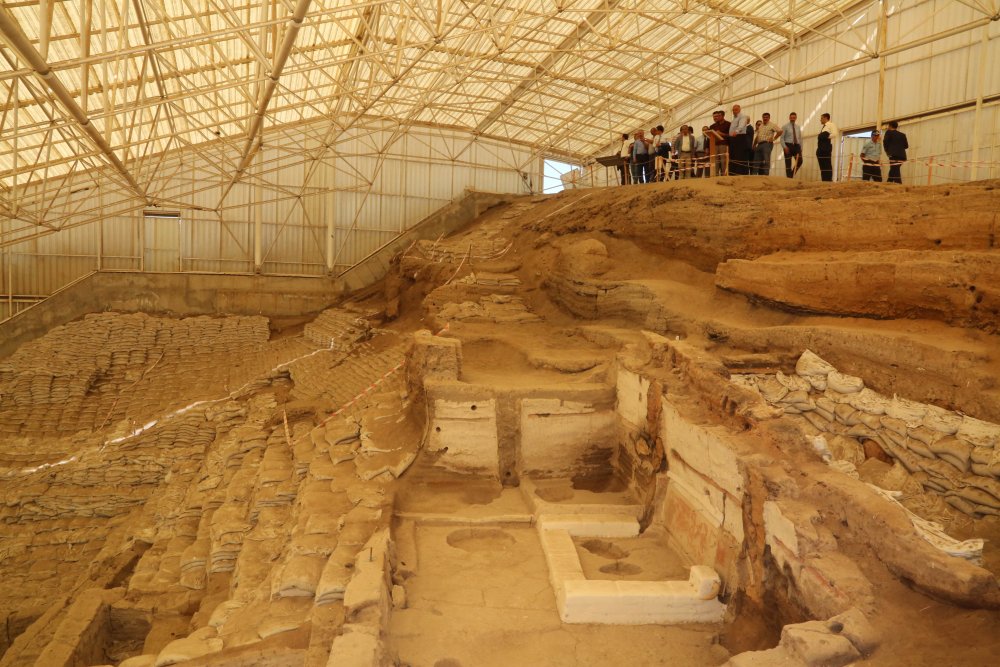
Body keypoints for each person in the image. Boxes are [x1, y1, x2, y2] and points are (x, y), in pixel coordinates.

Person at [816, 113, 839, 182]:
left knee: (827, 164)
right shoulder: (824, 127)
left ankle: (828, 180)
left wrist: (826, 136)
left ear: (826, 118)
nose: (820, 120)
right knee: (822, 166)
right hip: (820, 148)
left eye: (821, 118)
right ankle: (824, 180)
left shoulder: (831, 125)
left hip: (826, 147)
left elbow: (835, 133)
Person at [729, 104, 750, 174]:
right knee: (733, 156)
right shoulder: (734, 119)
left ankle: (740, 173)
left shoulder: (743, 116)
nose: (734, 111)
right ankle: (733, 173)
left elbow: (741, 125)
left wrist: (736, 132)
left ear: (739, 110)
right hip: (733, 139)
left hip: (739, 138)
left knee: (739, 156)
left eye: (736, 110)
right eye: (733, 110)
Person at [780, 112, 803, 178]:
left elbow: (800, 138)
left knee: (800, 161)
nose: (792, 119)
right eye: (791, 117)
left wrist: (801, 147)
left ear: (796, 118)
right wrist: (784, 147)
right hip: (788, 145)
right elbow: (781, 138)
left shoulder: (798, 127)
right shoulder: (785, 126)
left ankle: (791, 175)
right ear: (789, 118)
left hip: (797, 146)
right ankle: (789, 178)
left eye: (794, 117)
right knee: (788, 163)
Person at [708, 110, 730, 176]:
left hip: (723, 145)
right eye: (716, 116)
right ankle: (715, 175)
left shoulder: (728, 124)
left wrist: (721, 134)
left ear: (723, 116)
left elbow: (730, 135)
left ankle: (724, 175)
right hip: (714, 145)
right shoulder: (712, 126)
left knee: (723, 162)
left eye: (719, 116)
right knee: (715, 162)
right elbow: (709, 136)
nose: (717, 117)